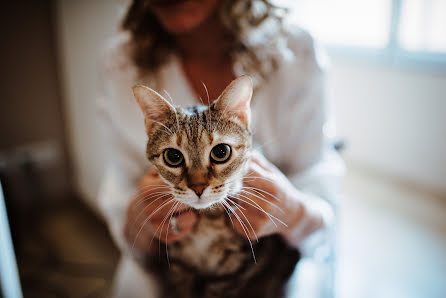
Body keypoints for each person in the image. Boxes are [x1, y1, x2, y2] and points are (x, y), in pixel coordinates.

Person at [97, 0, 344, 297]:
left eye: (219, 153)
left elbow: (321, 193)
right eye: (175, 156)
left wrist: (294, 212)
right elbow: (119, 193)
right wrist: (138, 218)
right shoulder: (120, 61)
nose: (199, 183)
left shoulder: (298, 51)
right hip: (160, 272)